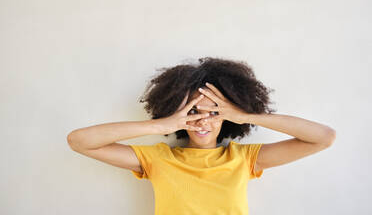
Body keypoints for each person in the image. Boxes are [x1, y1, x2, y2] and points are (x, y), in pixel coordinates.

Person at [67, 57, 336, 215]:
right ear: (178, 112)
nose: (203, 120)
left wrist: (246, 116)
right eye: (194, 111)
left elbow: (323, 137)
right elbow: (79, 141)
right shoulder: (158, 158)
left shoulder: (243, 158)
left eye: (215, 111)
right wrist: (160, 126)